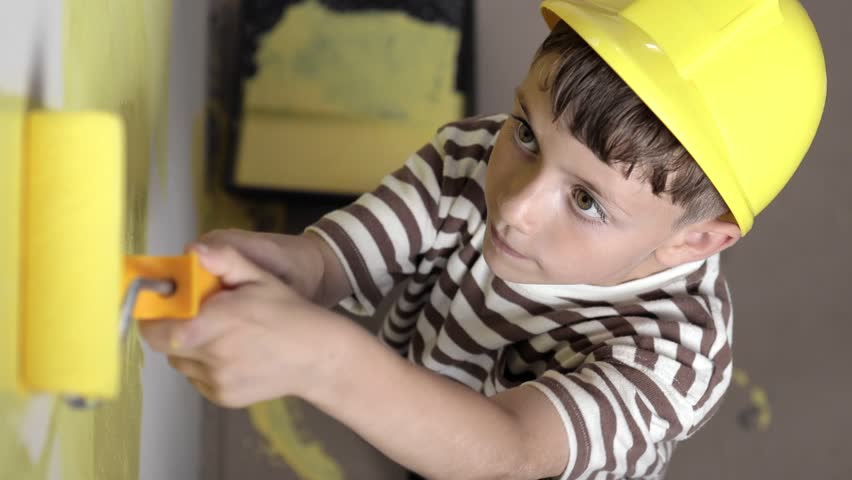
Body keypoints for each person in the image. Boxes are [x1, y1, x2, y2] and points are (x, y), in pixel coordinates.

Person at [141, 1, 826, 478]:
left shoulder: (681, 352)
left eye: (586, 200)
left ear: (696, 241)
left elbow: (510, 451)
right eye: (526, 131)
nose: (517, 206)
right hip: (415, 379)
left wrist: (324, 363)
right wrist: (288, 265)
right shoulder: (472, 154)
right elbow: (335, 260)